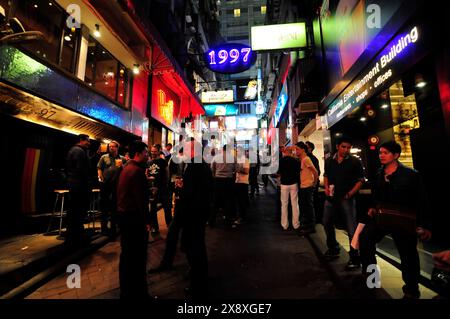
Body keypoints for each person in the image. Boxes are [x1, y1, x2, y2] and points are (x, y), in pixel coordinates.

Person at [359, 141, 432, 299]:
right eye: (380, 153)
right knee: (365, 238)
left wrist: (424, 225)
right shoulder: (378, 173)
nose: (381, 155)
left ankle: (412, 289)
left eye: (385, 153)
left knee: (408, 254)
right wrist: (372, 207)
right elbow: (376, 195)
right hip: (382, 216)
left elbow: (422, 200)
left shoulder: (411, 174)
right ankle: (372, 277)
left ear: (396, 155)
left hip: (403, 219)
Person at [322, 137, 365, 269]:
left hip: (347, 198)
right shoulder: (329, 160)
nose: (346, 150)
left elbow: (360, 180)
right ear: (337, 147)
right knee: (326, 222)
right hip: (331, 198)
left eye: (348, 147)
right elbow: (326, 176)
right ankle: (333, 248)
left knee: (351, 227)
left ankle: (354, 257)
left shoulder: (355, 161)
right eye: (343, 147)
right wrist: (326, 188)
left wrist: (350, 194)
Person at [116, 140, 151, 299]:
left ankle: (126, 290)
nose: (147, 155)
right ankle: (139, 292)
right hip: (134, 219)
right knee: (138, 257)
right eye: (145, 152)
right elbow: (141, 202)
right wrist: (147, 222)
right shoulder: (137, 172)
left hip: (124, 217)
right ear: (138, 153)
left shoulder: (126, 168)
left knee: (127, 255)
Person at [179, 139, 213, 298]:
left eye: (186, 148)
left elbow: (190, 193)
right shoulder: (202, 164)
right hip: (201, 211)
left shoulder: (194, 166)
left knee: (195, 249)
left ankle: (198, 285)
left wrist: (181, 189)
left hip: (194, 212)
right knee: (197, 246)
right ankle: (199, 279)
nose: (183, 150)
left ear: (193, 150)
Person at [149, 148, 187, 272]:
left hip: (184, 204)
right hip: (159, 191)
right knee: (154, 210)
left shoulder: (193, 164)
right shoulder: (151, 162)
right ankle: (167, 262)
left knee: (167, 210)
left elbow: (168, 173)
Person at [65, 134, 91, 244]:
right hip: (79, 185)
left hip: (73, 184)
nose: (89, 143)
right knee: (78, 210)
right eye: (87, 141)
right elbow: (81, 169)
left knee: (74, 211)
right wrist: (87, 183)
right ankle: (77, 236)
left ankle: (72, 235)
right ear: (81, 140)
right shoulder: (79, 151)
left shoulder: (74, 150)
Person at [97, 141, 125, 236]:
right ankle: (104, 228)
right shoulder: (104, 157)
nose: (111, 148)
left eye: (113, 147)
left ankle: (114, 227)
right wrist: (101, 177)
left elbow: (125, 171)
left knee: (115, 207)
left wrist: (122, 166)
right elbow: (99, 168)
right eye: (110, 146)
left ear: (117, 148)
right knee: (104, 207)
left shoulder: (122, 158)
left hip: (117, 185)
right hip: (106, 184)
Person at [146, 145, 171, 236]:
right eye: (152, 151)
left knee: (167, 208)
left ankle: (170, 226)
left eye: (155, 151)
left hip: (163, 188)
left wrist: (164, 186)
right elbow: (147, 174)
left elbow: (167, 175)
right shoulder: (148, 162)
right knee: (152, 209)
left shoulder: (163, 162)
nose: (153, 153)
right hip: (152, 189)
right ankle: (155, 228)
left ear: (159, 151)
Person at [296, 142, 319, 235]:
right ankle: (307, 225)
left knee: (308, 206)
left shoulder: (306, 159)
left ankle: (311, 227)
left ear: (303, 150)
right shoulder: (302, 159)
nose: (296, 151)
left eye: (297, 149)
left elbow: (315, 172)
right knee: (305, 206)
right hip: (303, 186)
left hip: (307, 186)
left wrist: (314, 184)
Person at [278, 146, 300, 230]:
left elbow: (279, 172)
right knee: (295, 204)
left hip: (284, 184)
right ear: (291, 152)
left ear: (285, 152)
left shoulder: (281, 160)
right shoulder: (295, 161)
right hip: (293, 184)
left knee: (284, 204)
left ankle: (284, 225)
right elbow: (298, 172)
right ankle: (296, 224)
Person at [234, 147, 250, 225]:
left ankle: (242, 217)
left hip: (243, 183)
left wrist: (238, 169)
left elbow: (246, 171)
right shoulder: (237, 160)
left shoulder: (245, 160)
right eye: (237, 151)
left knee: (242, 201)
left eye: (238, 151)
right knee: (238, 201)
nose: (237, 152)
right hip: (237, 182)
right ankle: (240, 216)